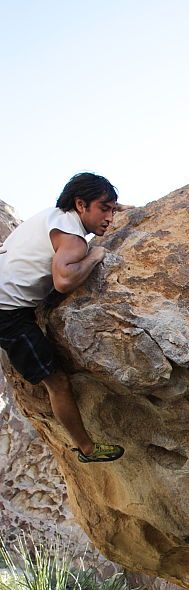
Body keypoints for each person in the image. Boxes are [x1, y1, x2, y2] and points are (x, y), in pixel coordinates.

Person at [0, 173, 127, 463]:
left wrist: (117, 207)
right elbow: (64, 281)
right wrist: (95, 257)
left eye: (112, 209)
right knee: (57, 383)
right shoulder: (74, 240)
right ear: (81, 204)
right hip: (6, 313)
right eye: (104, 208)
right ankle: (88, 449)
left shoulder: (54, 216)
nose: (109, 216)